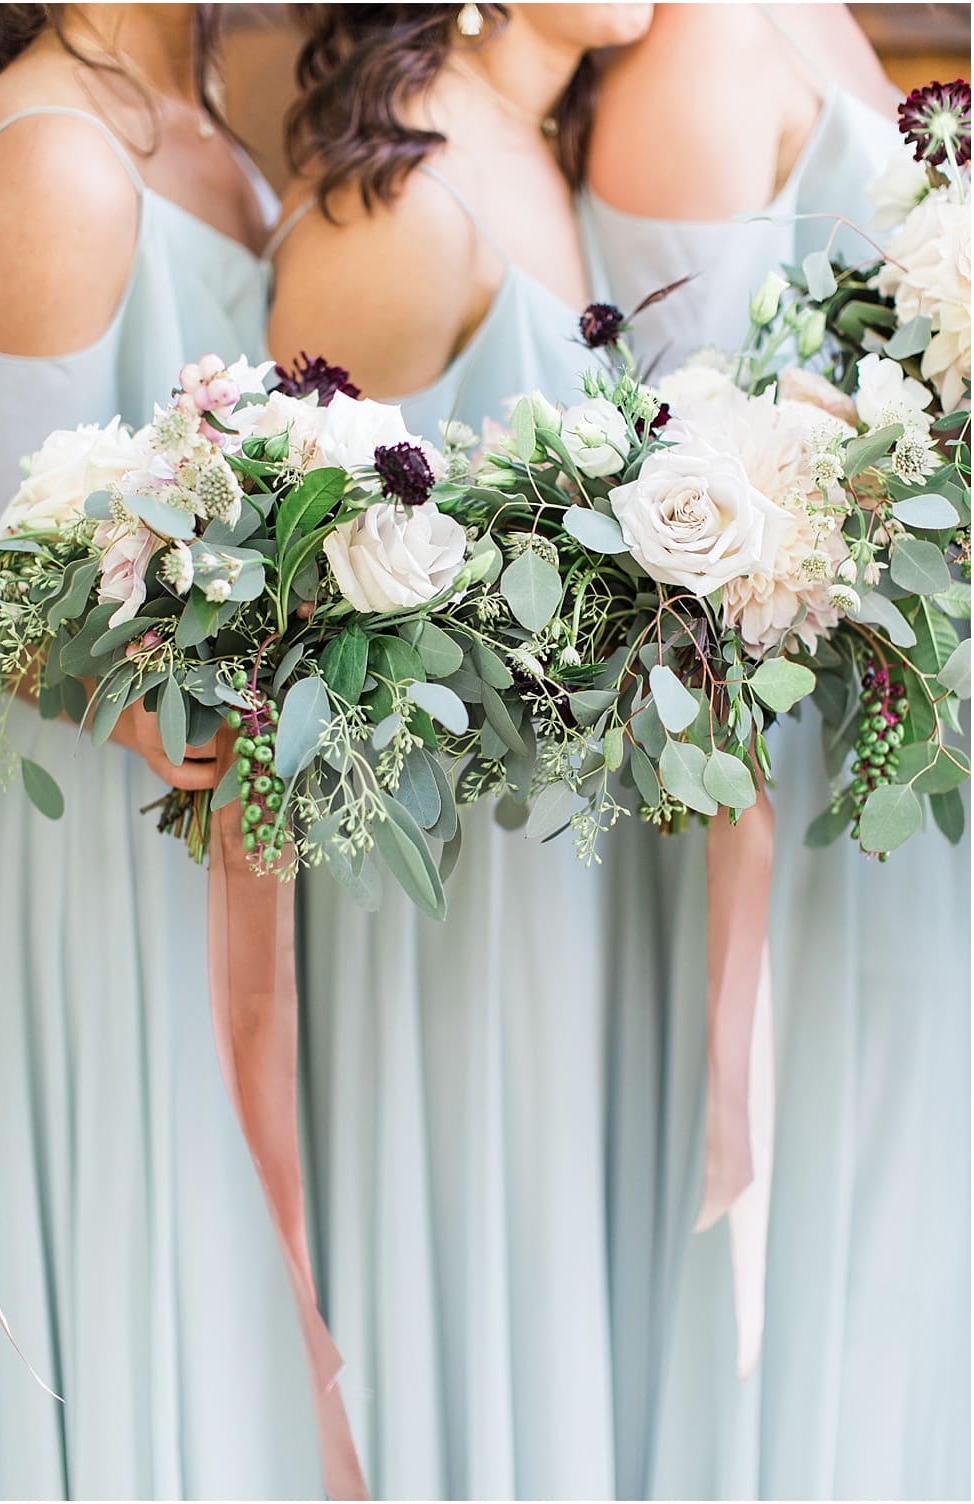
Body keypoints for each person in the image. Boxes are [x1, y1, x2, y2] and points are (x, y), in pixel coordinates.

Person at [266, 6, 655, 1496]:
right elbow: (294, 577)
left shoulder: (552, 141)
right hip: (441, 875)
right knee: (469, 1235)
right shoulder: (409, 202)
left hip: (569, 854)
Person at [587, 7, 971, 1496]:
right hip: (818, 743)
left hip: (903, 694)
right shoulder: (698, 55)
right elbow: (693, 454)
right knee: (846, 1184)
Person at [0, 6, 323, 1497]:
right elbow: (4, 583)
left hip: (241, 801)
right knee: (164, 1215)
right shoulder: (56, 158)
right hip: (112, 831)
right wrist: (166, 703)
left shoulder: (219, 103)